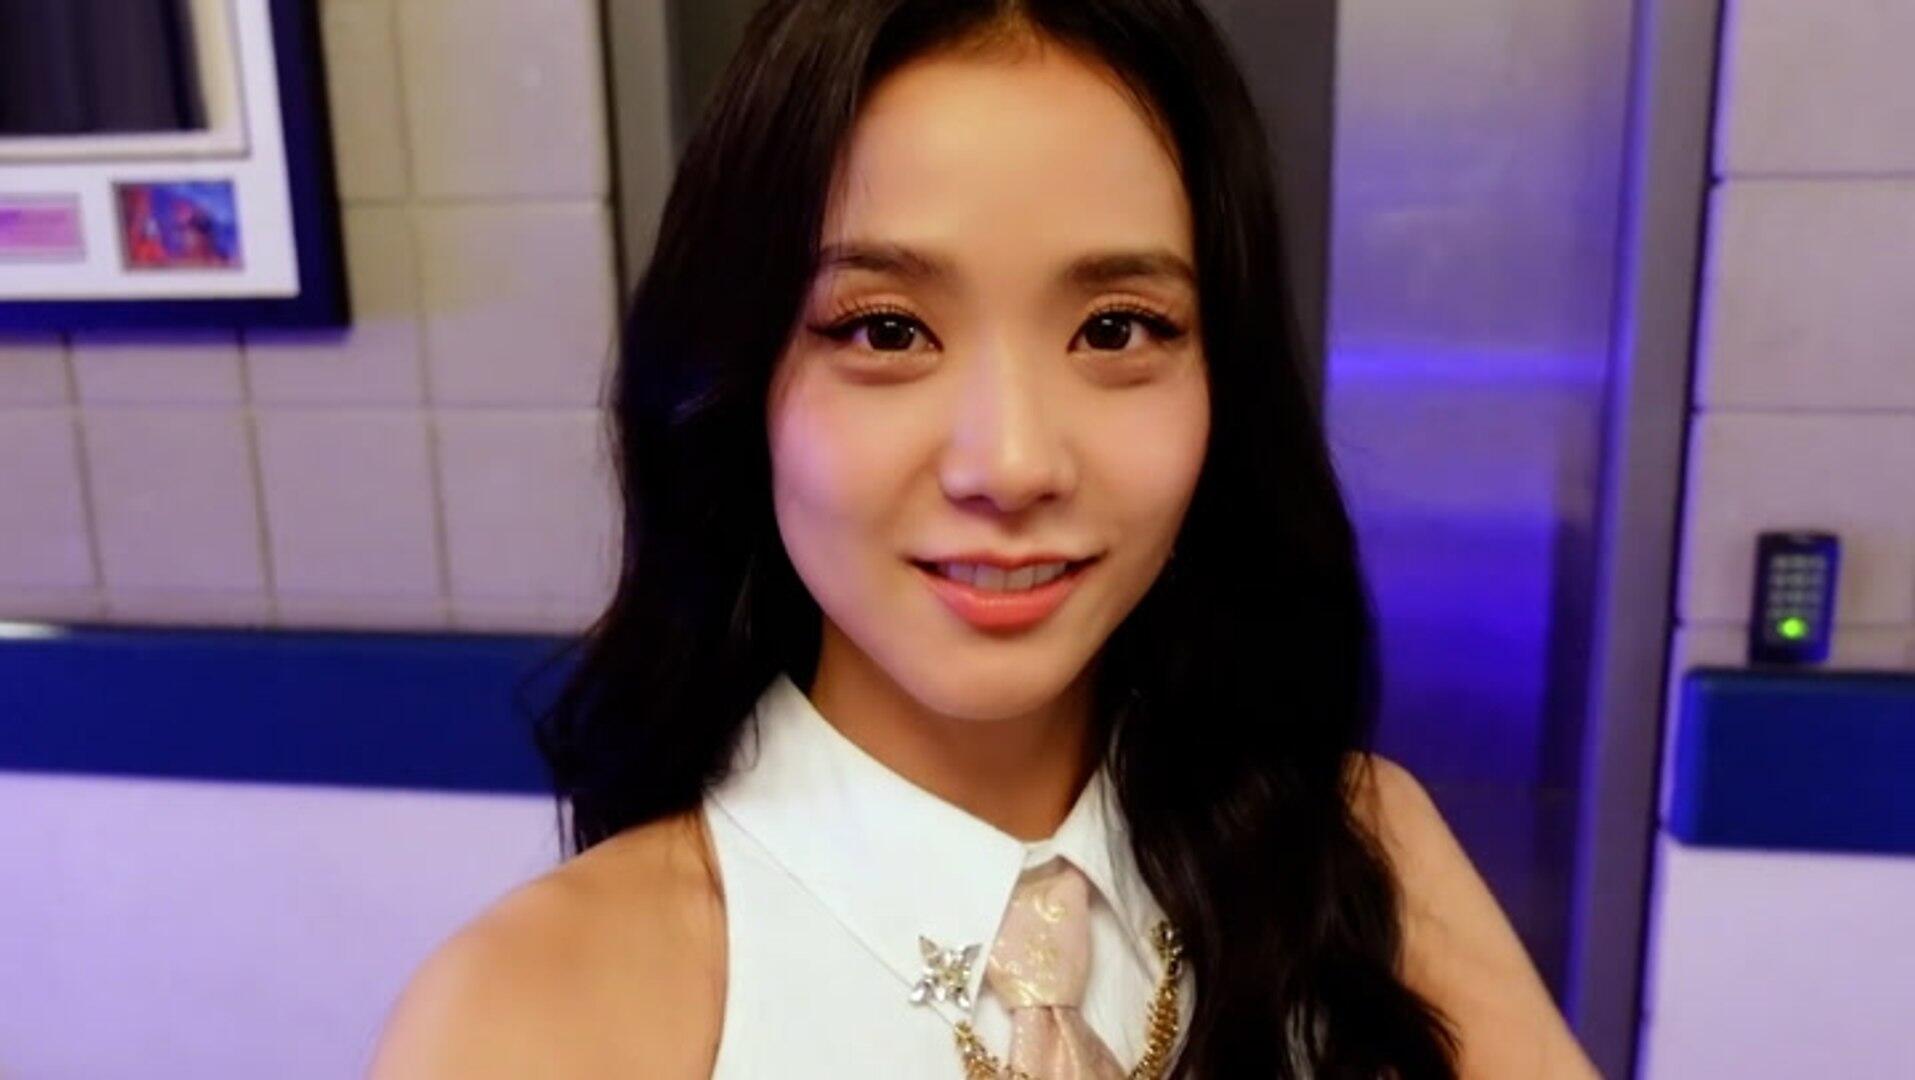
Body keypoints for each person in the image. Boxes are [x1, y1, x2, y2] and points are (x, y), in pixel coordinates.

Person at [368, 1, 1602, 1076]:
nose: (1010, 464)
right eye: (885, 330)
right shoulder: (538, 1007)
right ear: (738, 383)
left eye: (1116, 329)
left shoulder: (1360, 856)